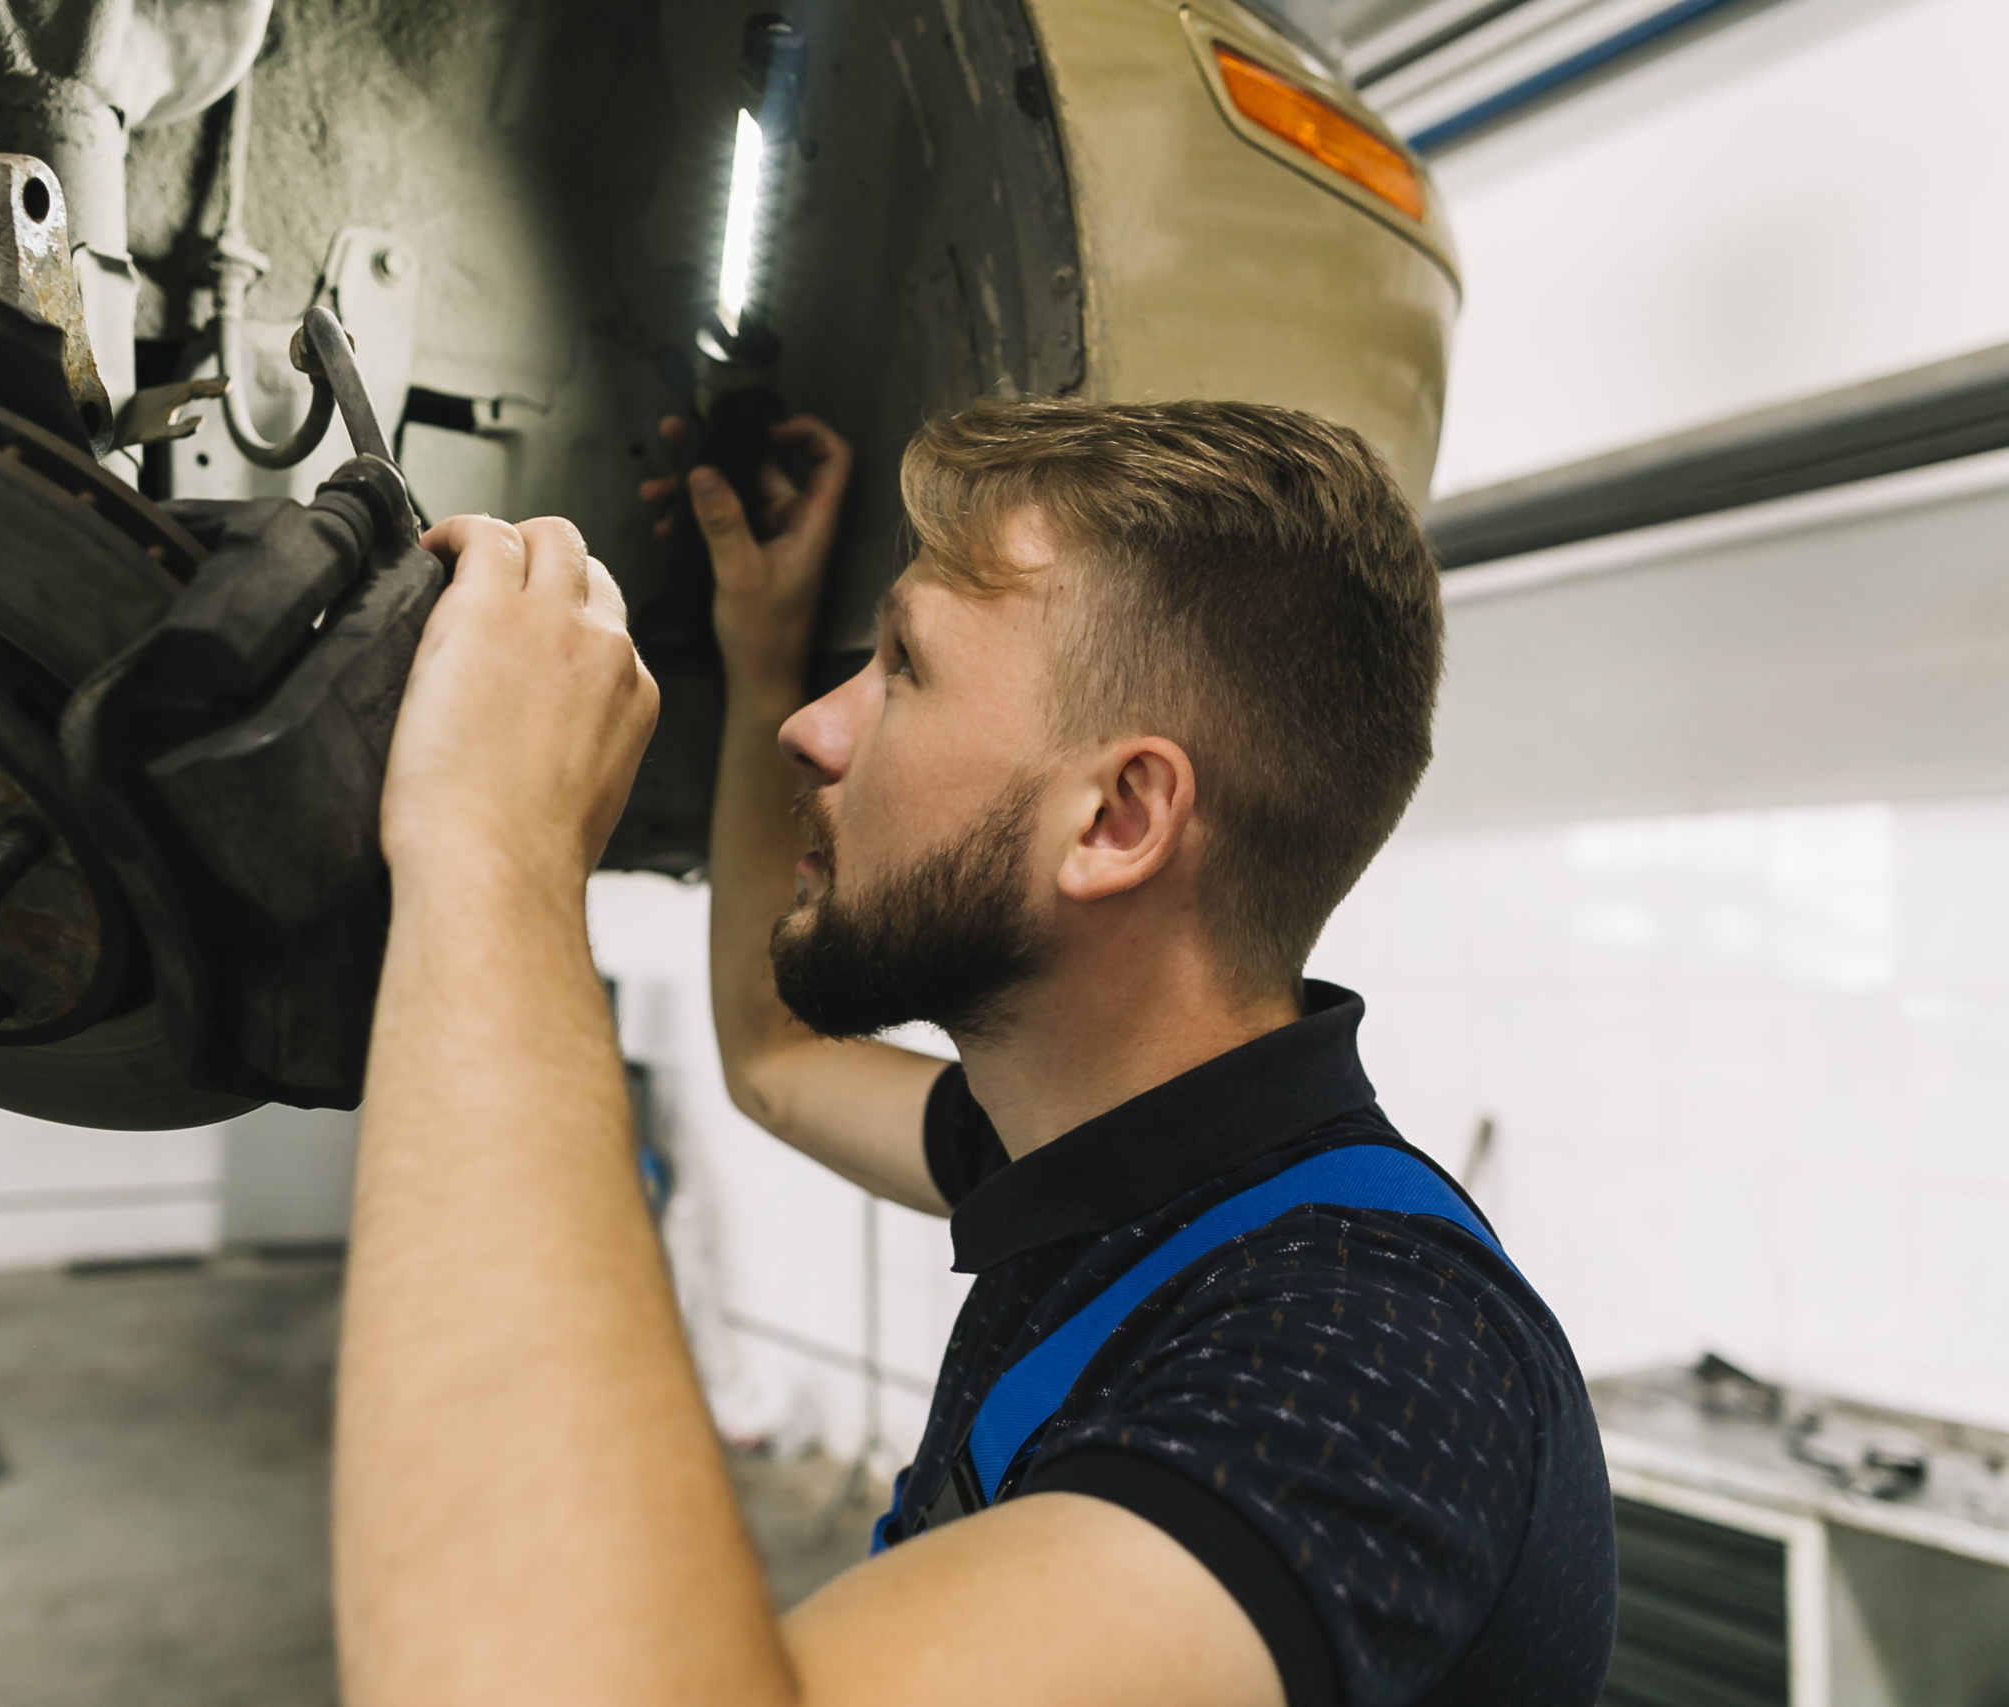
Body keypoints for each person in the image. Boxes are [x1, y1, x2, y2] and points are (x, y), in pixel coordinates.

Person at [336, 398, 1618, 1707]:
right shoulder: (1124, 1163)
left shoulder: (1368, 1364)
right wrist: (759, 648)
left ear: (1117, 819)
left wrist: (487, 849)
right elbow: (774, 1057)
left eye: (902, 666)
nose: (813, 731)